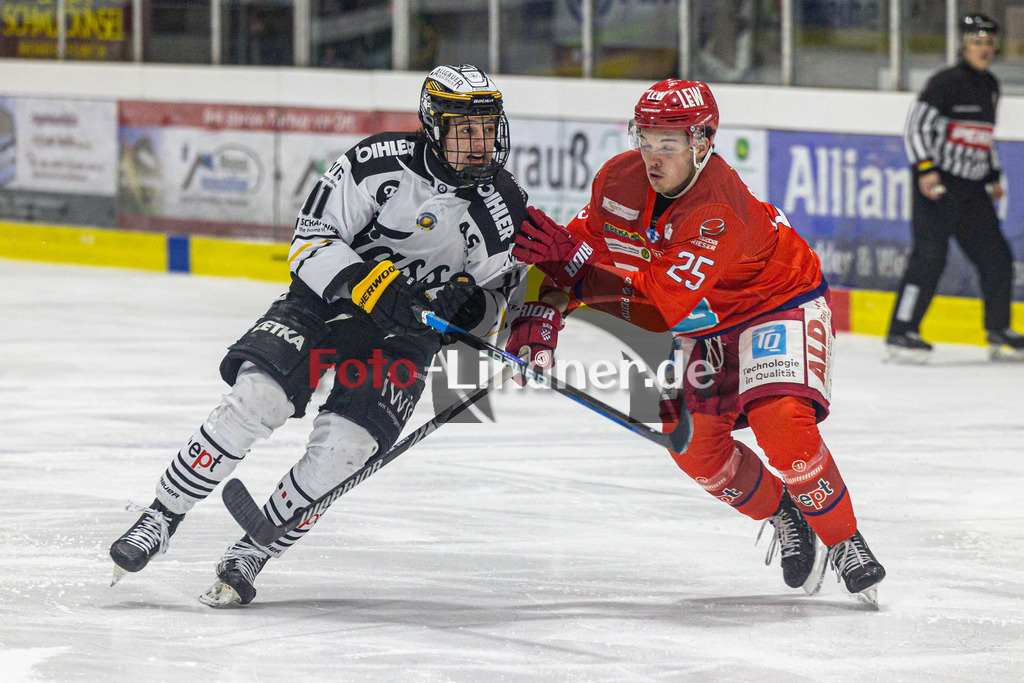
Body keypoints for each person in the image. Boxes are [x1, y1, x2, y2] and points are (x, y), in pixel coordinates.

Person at [109, 64, 529, 606]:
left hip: (403, 339)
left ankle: (253, 551)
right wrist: (371, 284)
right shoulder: (374, 162)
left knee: (346, 450)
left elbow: (495, 301)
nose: (480, 144)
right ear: (433, 125)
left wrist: (470, 308)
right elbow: (309, 243)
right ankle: (160, 517)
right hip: (327, 308)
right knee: (256, 398)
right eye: (464, 129)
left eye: (488, 129)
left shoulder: (505, 209)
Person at [507, 79, 886, 603]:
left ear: (702, 143)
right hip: (705, 322)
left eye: (669, 143)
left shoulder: (718, 207)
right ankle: (786, 513)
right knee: (695, 452)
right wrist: (538, 319)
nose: (653, 157)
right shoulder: (617, 179)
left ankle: (845, 541)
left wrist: (572, 270)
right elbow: (570, 257)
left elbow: (657, 310)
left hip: (774, 303)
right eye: (646, 139)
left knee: (781, 424)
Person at [887, 14, 1024, 362]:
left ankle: (998, 330)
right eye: (978, 43)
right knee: (929, 258)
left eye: (990, 44)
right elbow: (915, 128)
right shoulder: (944, 83)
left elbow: (983, 137)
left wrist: (992, 176)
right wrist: (926, 169)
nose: (985, 50)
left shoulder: (991, 86)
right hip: (938, 186)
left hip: (972, 190)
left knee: (997, 258)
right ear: (964, 46)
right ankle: (901, 332)